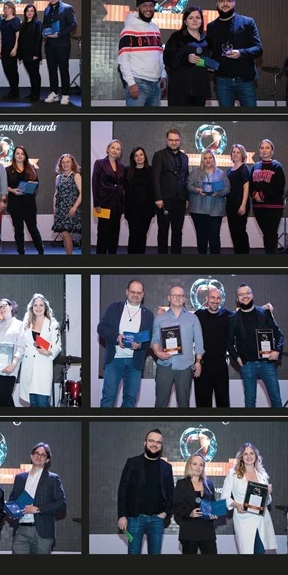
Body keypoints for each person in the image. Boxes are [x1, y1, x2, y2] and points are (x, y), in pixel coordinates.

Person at [98, 279, 155, 408]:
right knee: (108, 398)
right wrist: (116, 337)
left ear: (143, 294)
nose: (135, 295)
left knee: (130, 400)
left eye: (139, 293)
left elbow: (150, 339)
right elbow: (101, 328)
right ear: (127, 292)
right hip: (114, 360)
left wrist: (141, 345)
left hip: (135, 363)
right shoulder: (114, 308)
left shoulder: (148, 314)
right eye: (133, 292)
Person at [117, 430, 173, 554]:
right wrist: (122, 515)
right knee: (133, 553)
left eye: (158, 442)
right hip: (135, 518)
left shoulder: (166, 467)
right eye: (151, 441)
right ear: (145, 443)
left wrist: (165, 513)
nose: (155, 444)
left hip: (157, 520)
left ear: (161, 445)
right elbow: (123, 490)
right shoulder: (132, 463)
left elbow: (171, 494)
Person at [228, 284, 283, 408]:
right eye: (241, 294)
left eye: (247, 293)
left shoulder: (264, 313)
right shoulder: (233, 319)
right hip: (247, 365)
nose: (245, 296)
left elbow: (279, 335)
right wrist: (237, 358)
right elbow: (229, 343)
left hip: (267, 364)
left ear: (252, 295)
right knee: (250, 402)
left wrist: (277, 351)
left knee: (276, 399)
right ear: (237, 298)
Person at [206, 0, 261, 107]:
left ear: (234, 2)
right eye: (221, 1)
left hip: (245, 80)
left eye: (229, 0)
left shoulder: (247, 22)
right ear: (216, 3)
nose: (225, 4)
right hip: (222, 81)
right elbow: (211, 52)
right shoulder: (211, 26)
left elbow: (258, 49)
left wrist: (240, 53)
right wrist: (209, 63)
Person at [6, 442, 66, 554]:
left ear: (47, 460)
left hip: (42, 532)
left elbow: (61, 504)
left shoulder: (53, 478)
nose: (39, 456)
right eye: (36, 453)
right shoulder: (20, 478)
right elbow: (12, 500)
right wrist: (12, 511)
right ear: (31, 456)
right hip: (21, 530)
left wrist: (38, 509)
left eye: (43, 455)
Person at [150, 285, 203, 408]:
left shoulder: (193, 318)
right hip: (164, 365)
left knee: (184, 405)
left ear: (184, 299)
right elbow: (155, 339)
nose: (178, 298)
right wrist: (157, 352)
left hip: (185, 367)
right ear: (169, 298)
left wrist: (198, 361)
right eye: (175, 295)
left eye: (181, 295)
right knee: (160, 404)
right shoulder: (160, 318)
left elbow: (199, 341)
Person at [221, 442, 278, 554]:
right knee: (247, 551)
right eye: (245, 454)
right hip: (244, 520)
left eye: (251, 453)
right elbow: (224, 497)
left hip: (261, 519)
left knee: (260, 551)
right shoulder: (233, 474)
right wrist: (237, 505)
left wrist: (268, 493)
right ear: (241, 457)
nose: (249, 456)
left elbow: (268, 501)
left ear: (256, 455)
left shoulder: (262, 474)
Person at [6, 293, 61, 407]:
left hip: (43, 366)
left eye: (41, 305)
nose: (38, 308)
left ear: (45, 307)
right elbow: (21, 344)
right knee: (32, 403)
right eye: (35, 305)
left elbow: (57, 346)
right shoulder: (26, 324)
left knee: (42, 402)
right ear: (31, 307)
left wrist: (48, 352)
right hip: (28, 367)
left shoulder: (53, 325)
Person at [118, 0, 166, 106]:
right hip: (138, 84)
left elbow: (160, 55)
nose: (148, 8)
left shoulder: (155, 28)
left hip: (156, 85)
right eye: (144, 5)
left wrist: (163, 75)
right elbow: (123, 60)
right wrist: (131, 83)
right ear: (138, 8)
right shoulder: (129, 29)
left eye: (151, 5)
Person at [163, 5, 212, 107]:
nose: (195, 20)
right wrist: (185, 58)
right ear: (185, 21)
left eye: (198, 17)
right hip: (180, 89)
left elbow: (211, 60)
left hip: (200, 89)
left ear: (202, 20)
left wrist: (211, 65)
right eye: (191, 18)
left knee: (197, 117)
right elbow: (167, 59)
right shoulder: (176, 37)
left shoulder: (207, 40)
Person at [193, 287, 234, 408]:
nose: (215, 301)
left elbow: (244, 315)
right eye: (212, 297)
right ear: (206, 298)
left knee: (223, 402)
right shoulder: (199, 315)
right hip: (202, 364)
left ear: (221, 300)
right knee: (202, 403)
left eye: (218, 298)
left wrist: (263, 310)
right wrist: (166, 312)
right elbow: (183, 319)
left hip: (220, 363)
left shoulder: (228, 315)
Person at [151, 129, 190, 254]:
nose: (174, 142)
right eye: (171, 140)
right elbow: (155, 177)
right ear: (167, 140)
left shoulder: (185, 157)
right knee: (163, 231)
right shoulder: (159, 155)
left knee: (177, 231)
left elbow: (186, 177)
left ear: (180, 141)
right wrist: (158, 197)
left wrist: (187, 198)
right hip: (164, 200)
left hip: (180, 200)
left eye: (176, 140)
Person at [172, 454, 218, 554]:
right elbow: (176, 507)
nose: (198, 467)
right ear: (189, 465)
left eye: (201, 465)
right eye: (195, 464)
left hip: (207, 531)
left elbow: (213, 505)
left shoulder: (209, 484)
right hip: (189, 531)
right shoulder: (181, 484)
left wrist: (214, 513)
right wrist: (190, 513)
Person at [187, 149, 230, 254]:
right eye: (205, 158)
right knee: (201, 237)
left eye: (210, 158)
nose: (208, 160)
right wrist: (197, 190)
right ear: (202, 160)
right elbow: (188, 185)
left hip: (216, 210)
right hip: (198, 210)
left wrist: (218, 193)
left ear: (214, 159)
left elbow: (227, 189)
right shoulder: (195, 172)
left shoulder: (221, 174)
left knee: (214, 236)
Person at [5, 145, 45, 254]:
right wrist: (12, 190)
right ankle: (21, 252)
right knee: (18, 231)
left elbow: (37, 184)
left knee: (33, 229)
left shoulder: (31, 168)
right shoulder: (7, 170)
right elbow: (4, 185)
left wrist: (32, 184)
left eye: (22, 153)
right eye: (17, 153)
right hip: (15, 205)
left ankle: (41, 250)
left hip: (29, 204)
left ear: (25, 156)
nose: (20, 155)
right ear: (14, 155)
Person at [250, 139, 286, 254]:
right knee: (266, 233)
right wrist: (254, 194)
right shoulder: (255, 166)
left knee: (270, 233)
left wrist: (262, 195)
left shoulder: (277, 166)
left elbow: (278, 186)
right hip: (258, 207)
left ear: (272, 151)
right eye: (262, 148)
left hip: (273, 206)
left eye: (267, 148)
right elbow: (250, 184)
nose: (264, 150)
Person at [43, 0, 77, 105]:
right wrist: (44, 32)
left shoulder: (67, 8)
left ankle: (66, 95)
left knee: (63, 69)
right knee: (52, 70)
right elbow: (45, 25)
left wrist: (59, 34)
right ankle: (54, 93)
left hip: (63, 44)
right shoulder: (47, 9)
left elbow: (73, 25)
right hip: (49, 44)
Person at [0, 298, 23, 407]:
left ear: (11, 307)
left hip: (9, 369)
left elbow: (21, 347)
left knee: (5, 399)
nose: (2, 309)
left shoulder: (20, 325)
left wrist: (13, 364)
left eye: (4, 306)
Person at [92, 140, 125, 254]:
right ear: (108, 149)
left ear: (120, 153)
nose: (115, 150)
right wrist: (96, 204)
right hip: (103, 204)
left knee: (114, 235)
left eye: (118, 149)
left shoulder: (121, 166)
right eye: (113, 147)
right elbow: (95, 184)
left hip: (117, 205)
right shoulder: (99, 163)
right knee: (103, 235)